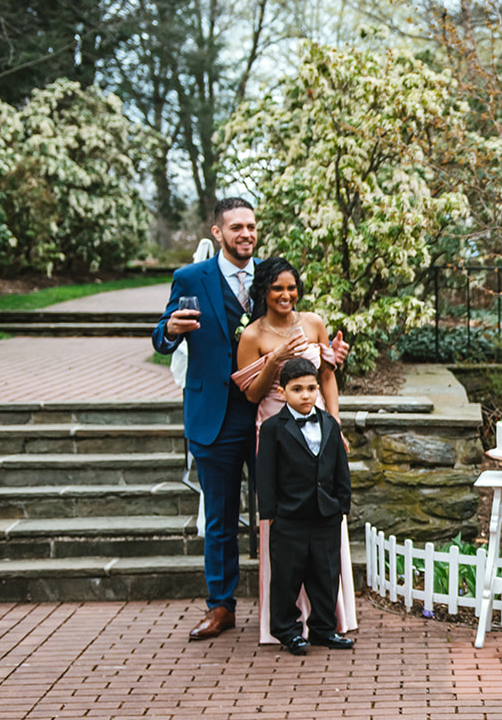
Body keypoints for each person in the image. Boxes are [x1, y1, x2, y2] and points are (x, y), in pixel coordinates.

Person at [231, 257, 358, 646]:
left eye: (290, 287)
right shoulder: (252, 335)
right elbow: (251, 393)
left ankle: (327, 619)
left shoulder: (315, 323)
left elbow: (327, 377)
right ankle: (285, 624)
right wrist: (278, 356)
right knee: (285, 533)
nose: (285, 295)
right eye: (276, 289)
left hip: (317, 422)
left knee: (323, 531)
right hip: (276, 424)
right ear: (263, 292)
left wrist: (334, 423)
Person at [151, 199, 261, 640]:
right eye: (236, 227)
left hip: (265, 413)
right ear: (217, 233)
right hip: (213, 415)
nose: (245, 234)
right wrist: (171, 331)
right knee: (219, 518)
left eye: (251, 226)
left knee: (276, 513)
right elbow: (160, 337)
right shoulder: (190, 278)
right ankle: (221, 607)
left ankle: (281, 602)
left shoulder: (271, 277)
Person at [255, 357, 354, 655]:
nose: (306, 395)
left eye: (311, 388)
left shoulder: (328, 423)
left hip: (326, 514)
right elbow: (265, 474)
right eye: (297, 389)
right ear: (283, 392)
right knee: (287, 577)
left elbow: (340, 468)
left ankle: (324, 628)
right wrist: (270, 515)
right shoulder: (273, 428)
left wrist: (341, 505)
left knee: (325, 574)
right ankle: (288, 631)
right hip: (289, 517)